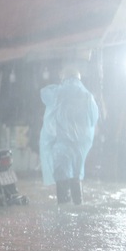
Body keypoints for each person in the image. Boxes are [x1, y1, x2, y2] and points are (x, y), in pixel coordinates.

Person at [39, 66, 99, 205]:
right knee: (76, 176)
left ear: (64, 78)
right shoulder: (87, 95)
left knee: (62, 177)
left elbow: (44, 94)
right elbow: (94, 118)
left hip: (62, 145)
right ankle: (78, 206)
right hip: (80, 146)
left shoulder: (59, 92)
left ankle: (63, 213)